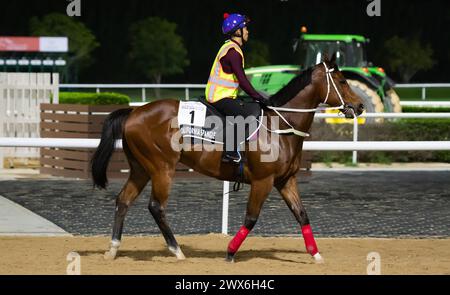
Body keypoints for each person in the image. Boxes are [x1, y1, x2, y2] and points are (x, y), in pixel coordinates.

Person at [205, 13, 268, 163]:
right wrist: (258, 97)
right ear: (238, 31)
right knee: (250, 111)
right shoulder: (233, 52)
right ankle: (230, 151)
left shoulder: (230, 48)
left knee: (250, 106)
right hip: (219, 97)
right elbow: (243, 81)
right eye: (245, 28)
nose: (248, 31)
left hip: (222, 96)